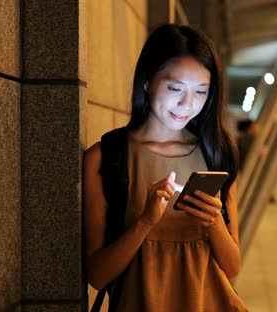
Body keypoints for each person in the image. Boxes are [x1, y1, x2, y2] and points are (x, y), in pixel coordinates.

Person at [83, 24, 248, 311]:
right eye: (175, 88)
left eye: (200, 92)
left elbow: (232, 268)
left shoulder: (216, 152)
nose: (187, 104)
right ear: (147, 80)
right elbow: (97, 276)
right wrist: (145, 221)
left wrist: (213, 223)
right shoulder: (106, 157)